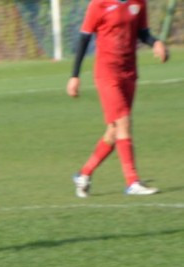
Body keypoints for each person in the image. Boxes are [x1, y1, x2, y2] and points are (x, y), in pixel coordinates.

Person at [67, 0, 168, 198]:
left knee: (114, 131)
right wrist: (75, 76)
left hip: (129, 73)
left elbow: (142, 32)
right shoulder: (98, 4)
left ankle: (84, 174)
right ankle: (132, 182)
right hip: (107, 73)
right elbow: (84, 38)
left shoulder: (139, 2)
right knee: (123, 123)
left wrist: (155, 43)